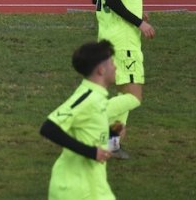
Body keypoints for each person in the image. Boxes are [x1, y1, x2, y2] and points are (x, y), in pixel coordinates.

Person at [39, 40, 140, 200]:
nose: (115, 66)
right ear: (101, 70)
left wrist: (112, 135)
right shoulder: (87, 97)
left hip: (96, 186)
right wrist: (91, 152)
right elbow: (48, 128)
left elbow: (94, 138)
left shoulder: (99, 98)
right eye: (111, 63)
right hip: (74, 189)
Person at [91, 0, 155, 159]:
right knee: (134, 97)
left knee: (124, 95)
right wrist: (138, 22)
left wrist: (136, 9)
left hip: (108, 37)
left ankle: (113, 142)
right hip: (123, 39)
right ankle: (87, 116)